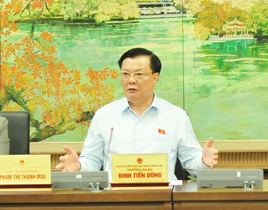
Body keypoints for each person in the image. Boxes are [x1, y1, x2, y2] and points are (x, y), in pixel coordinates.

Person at [56, 47, 218, 179]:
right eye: (125, 74)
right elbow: (92, 161)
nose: (131, 80)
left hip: (162, 199)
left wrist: (204, 162)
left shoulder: (176, 116)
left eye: (139, 74)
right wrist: (78, 166)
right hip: (115, 199)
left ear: (155, 78)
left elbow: (191, 164)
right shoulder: (104, 116)